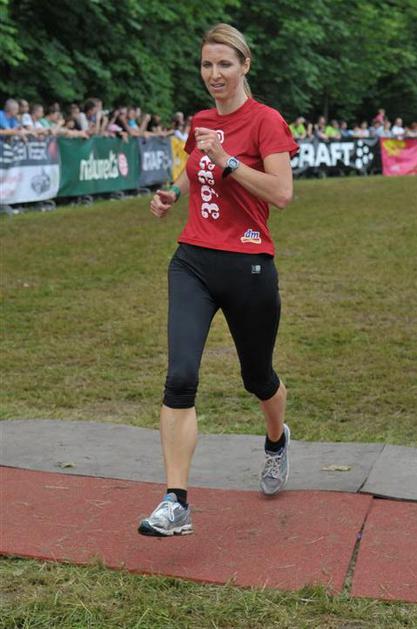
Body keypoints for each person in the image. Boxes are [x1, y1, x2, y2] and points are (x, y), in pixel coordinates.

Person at [138, 23, 299, 537]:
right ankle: (175, 502)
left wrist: (228, 161)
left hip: (249, 265)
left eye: (224, 64)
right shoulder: (202, 120)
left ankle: (276, 439)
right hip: (193, 261)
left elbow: (282, 193)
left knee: (259, 378)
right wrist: (173, 193)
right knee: (180, 377)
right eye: (207, 65)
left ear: (244, 65)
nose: (214, 74)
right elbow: (195, 166)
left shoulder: (266, 121)